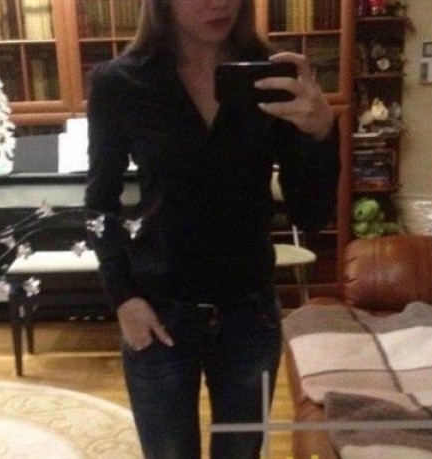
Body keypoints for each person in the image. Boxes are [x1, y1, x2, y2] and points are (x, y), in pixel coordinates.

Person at [85, 0, 339, 458]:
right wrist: (122, 297)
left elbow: (311, 216)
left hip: (249, 314)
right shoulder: (119, 83)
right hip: (158, 313)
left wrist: (321, 133)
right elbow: (99, 203)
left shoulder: (272, 77)